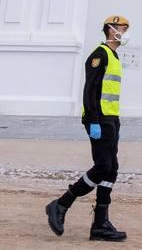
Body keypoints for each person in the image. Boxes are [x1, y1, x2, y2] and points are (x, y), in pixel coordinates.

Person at [46, 15, 130, 242]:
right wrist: (93, 120)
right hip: (99, 119)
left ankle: (100, 224)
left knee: (111, 169)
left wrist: (114, 120)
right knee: (102, 166)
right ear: (111, 30)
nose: (126, 31)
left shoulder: (114, 56)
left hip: (111, 119)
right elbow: (89, 90)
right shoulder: (99, 55)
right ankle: (61, 203)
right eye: (123, 27)